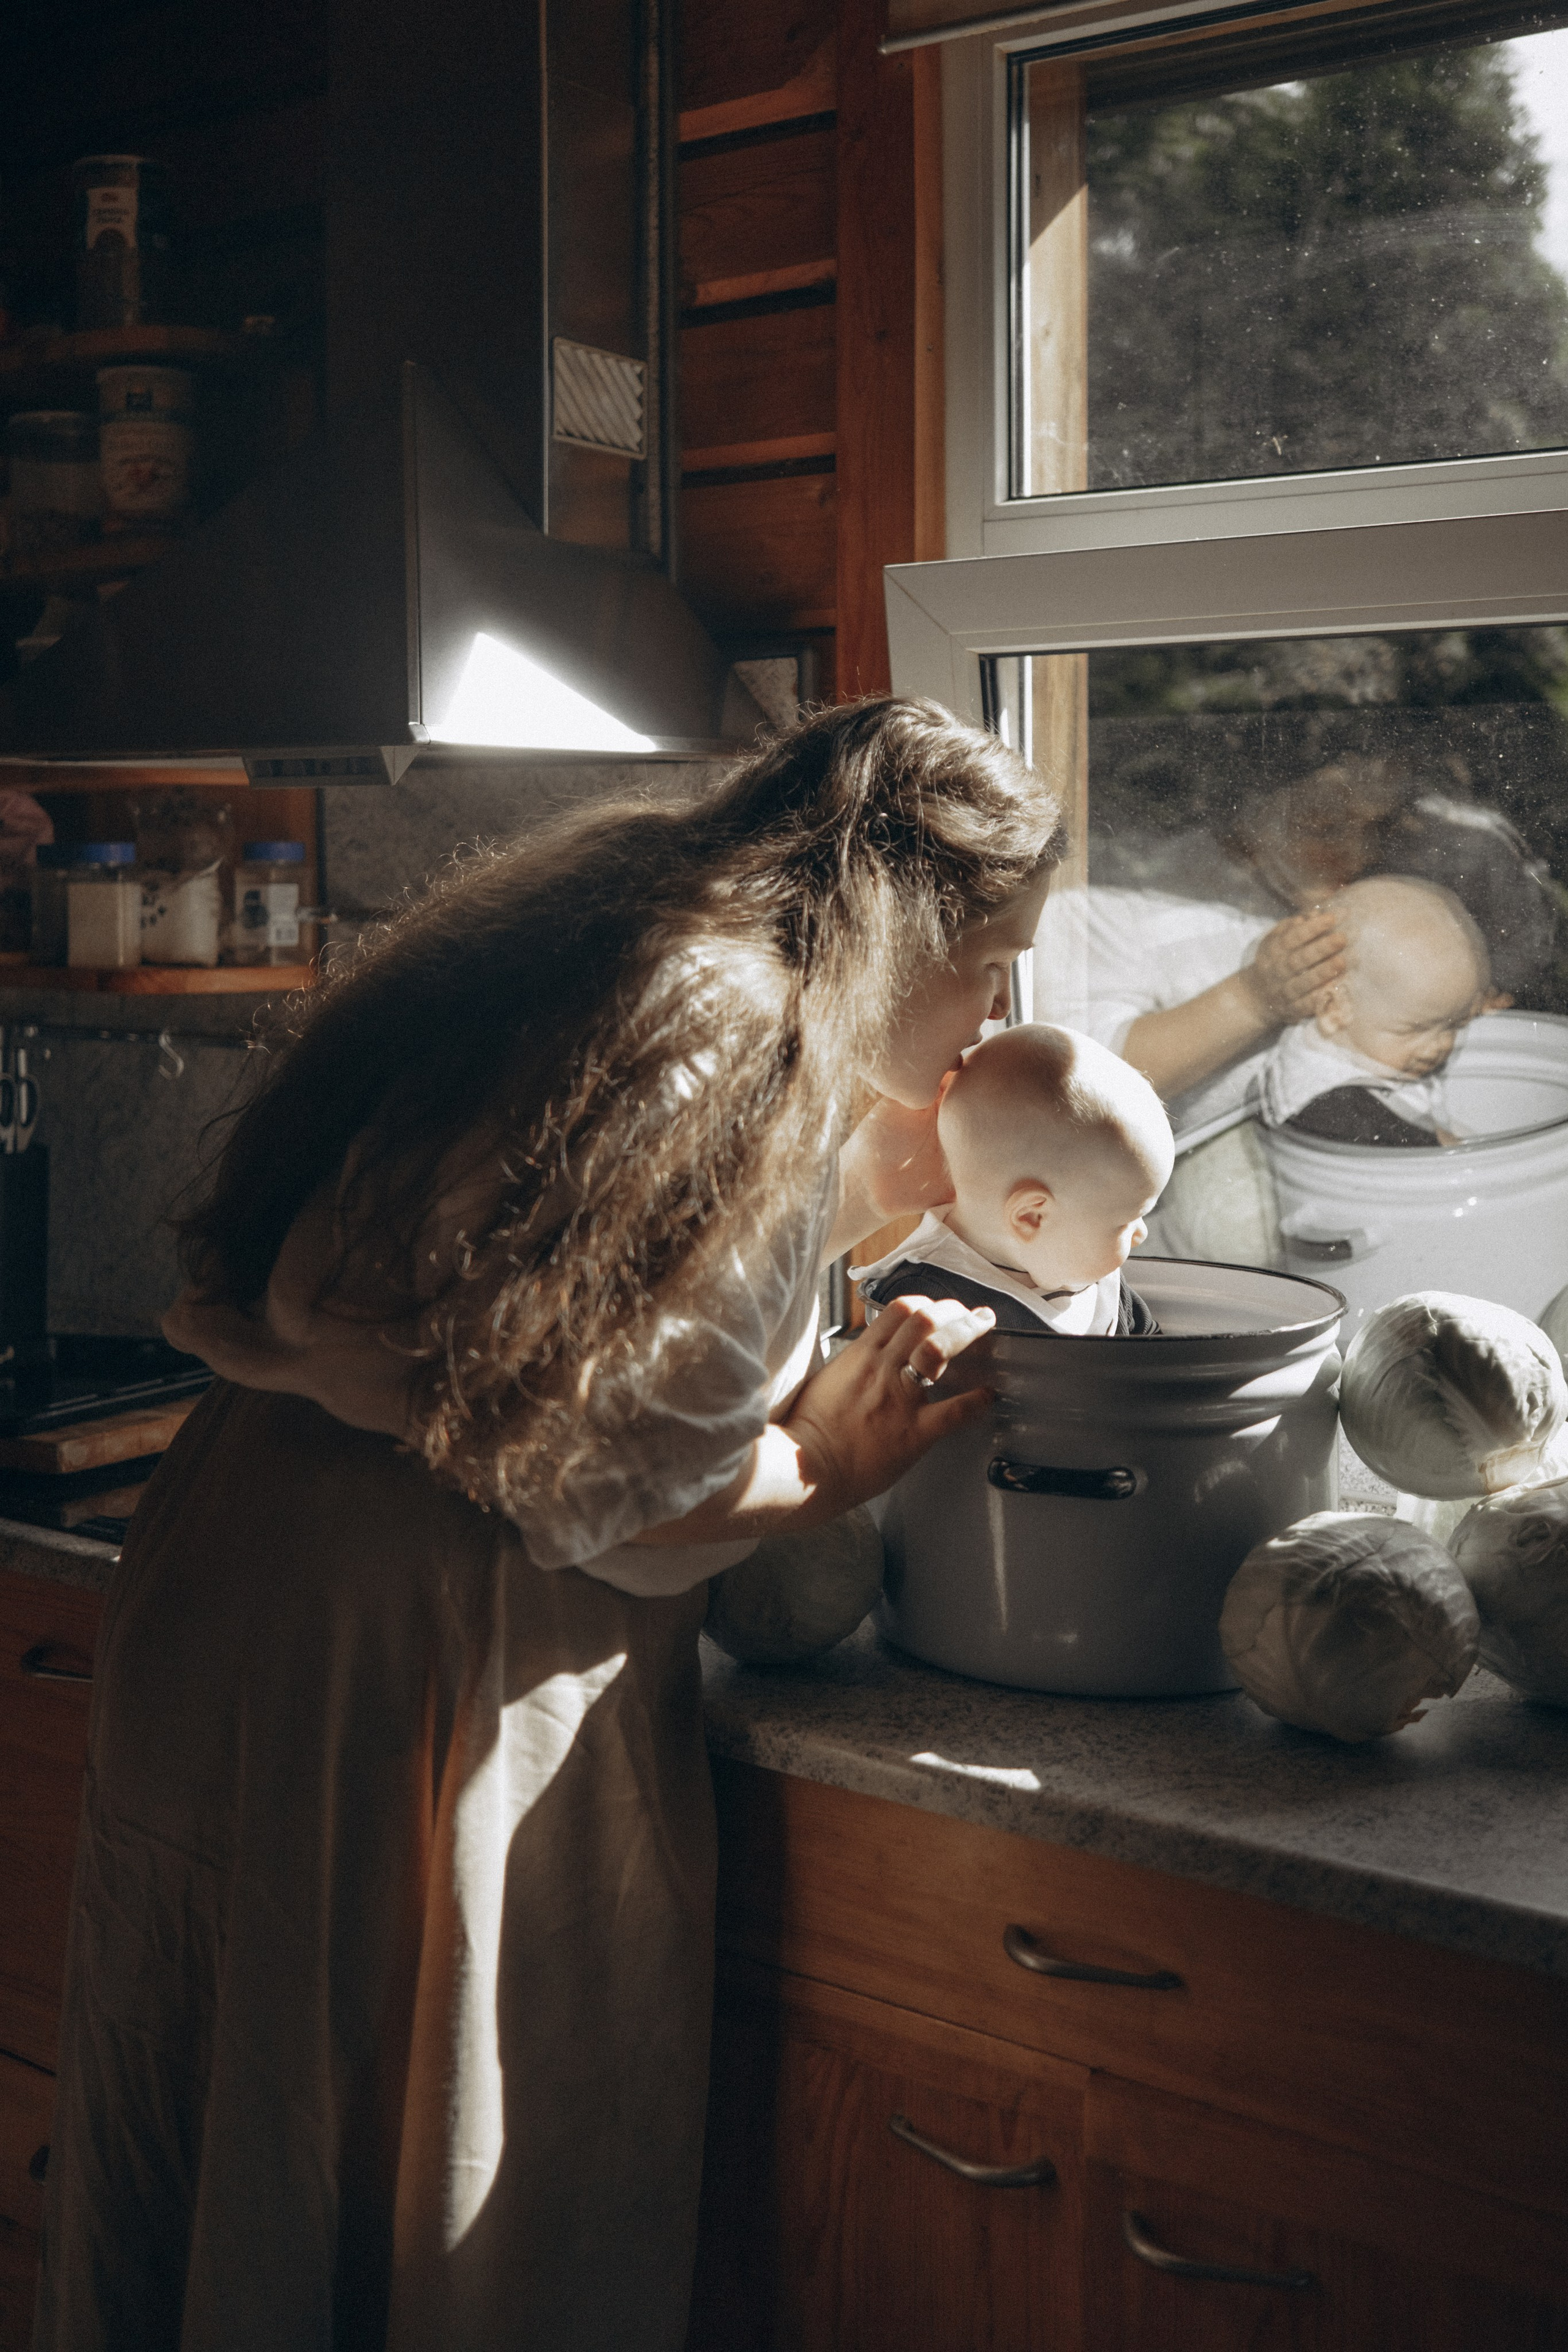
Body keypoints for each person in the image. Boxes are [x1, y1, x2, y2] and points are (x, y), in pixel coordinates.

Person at [34, 697, 1062, 2352]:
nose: (997, 1007)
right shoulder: (739, 1026)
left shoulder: (626, 922)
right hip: (413, 1631)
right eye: (993, 956)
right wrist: (838, 1468)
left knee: (220, 2099)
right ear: (904, 918)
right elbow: (600, 1490)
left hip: (244, 1547)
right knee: (395, 2153)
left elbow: (540, 1318)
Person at [856, 1024, 1172, 1335]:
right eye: (1125, 1221)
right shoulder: (923, 1304)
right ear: (1032, 1217)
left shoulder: (1091, 1276)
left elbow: (1156, 1363)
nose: (1140, 1234)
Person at [1257, 875, 1490, 1148]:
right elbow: (1418, 1165)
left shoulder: (1359, 1036)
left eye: (1456, 1025)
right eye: (1417, 1028)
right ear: (1333, 1009)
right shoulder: (1335, 1107)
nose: (1441, 1045)